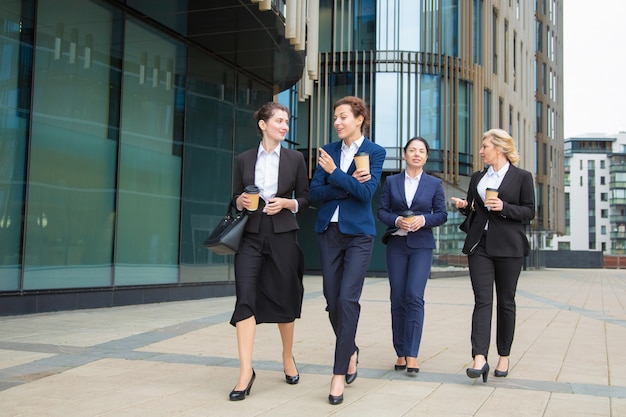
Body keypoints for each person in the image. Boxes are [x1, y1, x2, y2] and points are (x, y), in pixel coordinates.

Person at [228, 102, 310, 401]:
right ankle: (245, 372)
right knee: (245, 297)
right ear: (263, 125)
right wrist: (241, 202)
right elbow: (234, 197)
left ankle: (287, 356)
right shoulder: (243, 159)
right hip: (250, 235)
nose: (284, 125)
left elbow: (305, 197)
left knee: (284, 294)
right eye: (278, 120)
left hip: (283, 234)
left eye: (286, 121)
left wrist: (287, 204)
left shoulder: (295, 158)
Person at [310, 96, 386, 405]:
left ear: (359, 119)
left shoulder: (374, 152)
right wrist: (345, 183)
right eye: (335, 118)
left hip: (359, 236)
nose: (338, 122)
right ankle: (350, 347)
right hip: (329, 232)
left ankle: (339, 373)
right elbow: (315, 193)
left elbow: (366, 193)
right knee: (331, 300)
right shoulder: (327, 151)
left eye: (343, 117)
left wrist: (336, 176)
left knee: (347, 299)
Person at [451, 128, 535, 383]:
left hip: (510, 248)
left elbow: (529, 211)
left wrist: (505, 207)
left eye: (484, 146)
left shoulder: (521, 177)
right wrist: (466, 207)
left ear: (499, 148)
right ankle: (479, 357)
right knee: (482, 300)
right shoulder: (478, 177)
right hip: (481, 246)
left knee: (506, 302)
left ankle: (504, 355)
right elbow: (476, 211)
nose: (480, 151)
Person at [377, 137, 448, 375]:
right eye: (412, 150)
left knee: (414, 296)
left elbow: (441, 214)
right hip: (396, 244)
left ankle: (412, 354)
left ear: (426, 156)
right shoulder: (392, 181)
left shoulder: (434, 184)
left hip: (421, 246)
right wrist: (397, 220)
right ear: (405, 154)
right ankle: (400, 351)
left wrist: (423, 220)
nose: (417, 154)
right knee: (398, 297)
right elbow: (382, 211)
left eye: (421, 151)